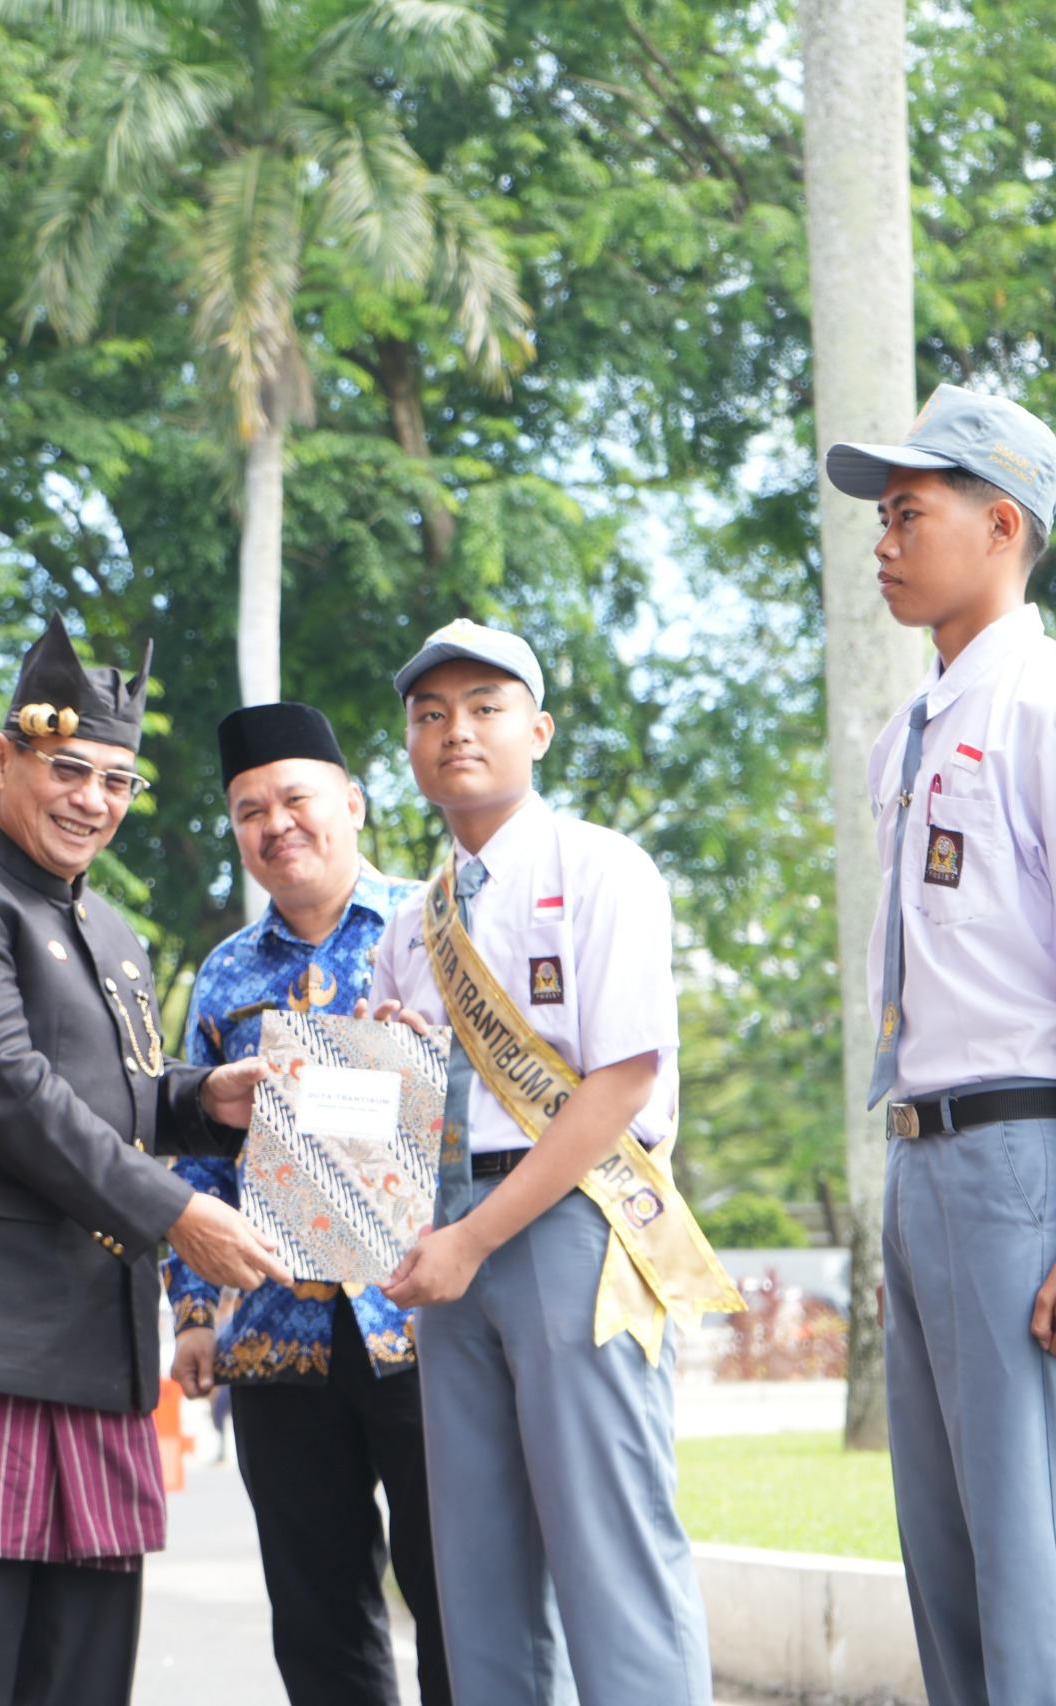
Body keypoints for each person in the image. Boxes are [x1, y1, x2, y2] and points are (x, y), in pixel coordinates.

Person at [0, 617, 285, 1706]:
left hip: (92, 1343)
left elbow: (114, 1090)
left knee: (81, 1661)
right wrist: (177, 1212)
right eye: (69, 769)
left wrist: (204, 1102)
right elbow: (10, 1091)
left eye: (118, 780)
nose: (93, 798)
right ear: (4, 758)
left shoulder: (112, 930)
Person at [822, 385, 1056, 1706]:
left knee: (1040, 1568)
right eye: (881, 518)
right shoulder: (921, 722)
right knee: (948, 1559)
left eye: (909, 513)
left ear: (1001, 522)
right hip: (927, 1156)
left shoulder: (1055, 708)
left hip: (1021, 1152)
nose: (883, 542)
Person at [366, 619, 737, 1706]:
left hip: (572, 1222)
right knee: (474, 1567)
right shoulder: (412, 922)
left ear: (538, 727)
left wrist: (473, 1238)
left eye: (483, 706)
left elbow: (621, 1085)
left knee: (609, 1547)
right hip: (447, 1232)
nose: (455, 732)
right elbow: (411, 1107)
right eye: (429, 714)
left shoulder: (601, 866)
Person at [165, 702, 448, 1706]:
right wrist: (194, 1312)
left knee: (458, 1596)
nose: (275, 822)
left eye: (295, 798)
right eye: (249, 809)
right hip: (275, 1335)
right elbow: (195, 1156)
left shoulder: (434, 927)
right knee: (319, 1621)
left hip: (422, 1322)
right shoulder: (225, 972)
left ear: (353, 804)